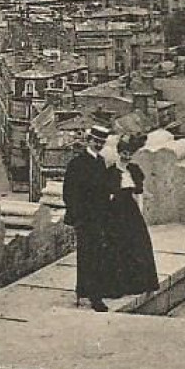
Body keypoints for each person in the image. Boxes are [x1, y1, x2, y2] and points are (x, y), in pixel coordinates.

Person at [62, 124, 118, 311]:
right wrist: (77, 217)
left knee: (96, 254)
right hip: (85, 218)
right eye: (96, 141)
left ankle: (86, 290)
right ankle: (94, 297)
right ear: (89, 141)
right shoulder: (77, 164)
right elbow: (69, 192)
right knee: (89, 255)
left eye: (102, 142)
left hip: (99, 217)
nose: (99, 145)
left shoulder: (100, 161)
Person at [105, 132, 159, 299]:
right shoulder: (111, 172)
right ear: (119, 153)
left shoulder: (134, 171)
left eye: (129, 153)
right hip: (115, 212)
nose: (127, 156)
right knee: (118, 246)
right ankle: (119, 285)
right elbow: (107, 195)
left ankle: (137, 283)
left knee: (137, 245)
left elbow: (139, 193)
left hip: (131, 211)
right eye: (124, 153)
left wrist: (140, 213)